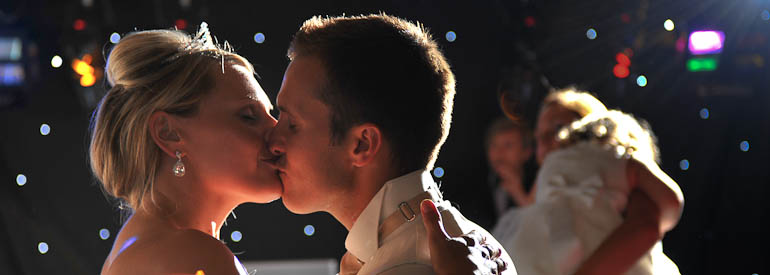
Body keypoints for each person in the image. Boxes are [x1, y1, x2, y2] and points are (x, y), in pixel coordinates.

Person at [92, 25, 506, 275]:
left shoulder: (154, 245)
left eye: (284, 119)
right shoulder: (188, 255)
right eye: (248, 117)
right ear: (169, 133)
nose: (274, 136)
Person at [263, 14, 514, 274]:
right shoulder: (469, 245)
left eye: (292, 124)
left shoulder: (405, 266)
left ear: (362, 144)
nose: (272, 141)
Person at [497, 109, 684, 275]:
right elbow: (672, 201)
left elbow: (534, 207)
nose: (545, 141)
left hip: (537, 257)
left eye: (555, 129)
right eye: (539, 136)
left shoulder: (553, 165)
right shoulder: (619, 157)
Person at [484, 117, 535, 216]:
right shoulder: (476, 185)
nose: (499, 152)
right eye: (494, 145)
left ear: (527, 152)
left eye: (508, 145)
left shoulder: (537, 185)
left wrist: (518, 193)